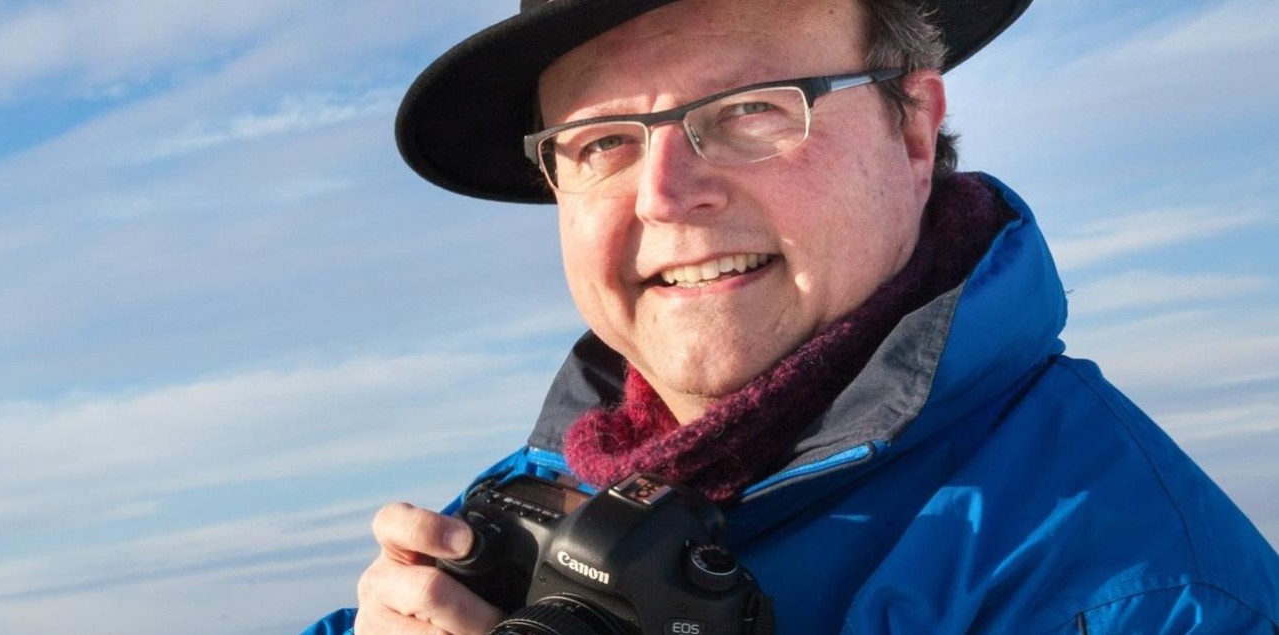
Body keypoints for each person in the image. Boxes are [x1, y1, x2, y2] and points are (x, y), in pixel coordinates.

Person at [303, 0, 1279, 632]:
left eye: (749, 110)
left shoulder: (1139, 591)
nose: (663, 194)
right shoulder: (528, 504)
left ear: (912, 128)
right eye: (601, 142)